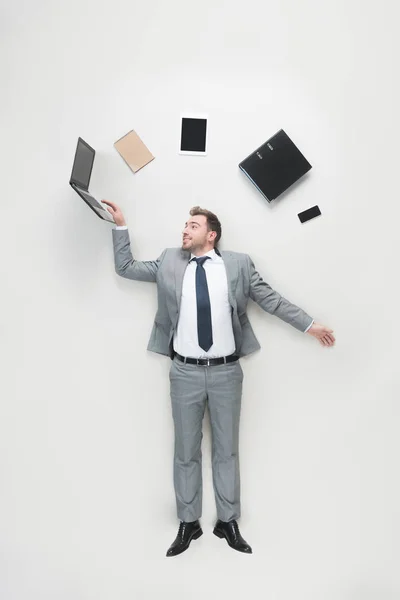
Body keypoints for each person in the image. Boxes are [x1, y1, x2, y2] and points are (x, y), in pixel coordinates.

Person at [102, 199, 335, 557]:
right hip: (184, 373)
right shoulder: (168, 261)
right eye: (184, 225)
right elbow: (126, 267)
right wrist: (120, 225)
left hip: (227, 372)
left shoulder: (238, 264)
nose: (184, 229)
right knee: (186, 451)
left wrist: (309, 324)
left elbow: (270, 300)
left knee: (227, 450)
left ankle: (227, 521)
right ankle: (189, 522)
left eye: (192, 225)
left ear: (211, 235)